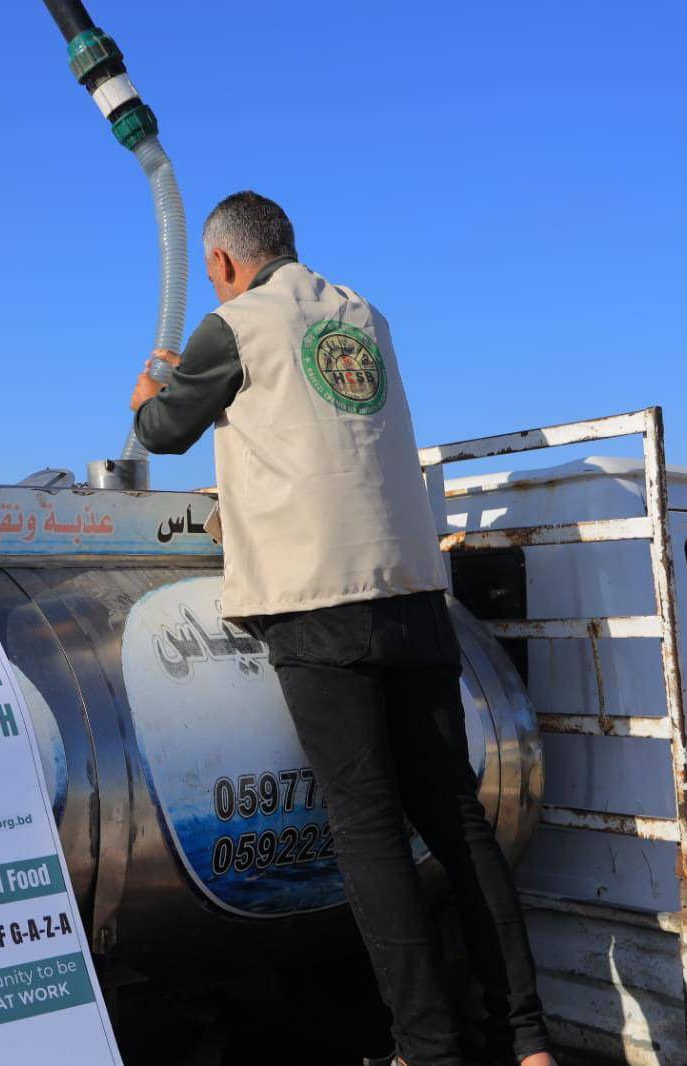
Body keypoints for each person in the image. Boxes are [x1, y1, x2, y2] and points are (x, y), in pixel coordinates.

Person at [129, 191, 555, 1066]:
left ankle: (427, 1049)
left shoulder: (235, 323)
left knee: (364, 827)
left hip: (319, 603)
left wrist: (149, 393)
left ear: (219, 263)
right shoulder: (364, 315)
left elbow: (163, 433)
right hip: (412, 592)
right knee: (456, 817)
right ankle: (529, 1040)